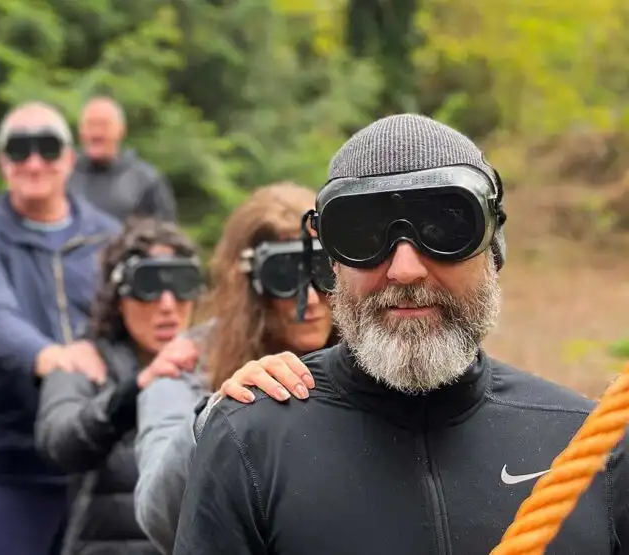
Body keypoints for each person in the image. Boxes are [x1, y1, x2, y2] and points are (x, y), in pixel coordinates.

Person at [172, 114, 629, 554]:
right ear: (329, 261)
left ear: (493, 248)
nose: (405, 270)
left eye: (447, 229)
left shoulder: (589, 443)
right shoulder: (250, 441)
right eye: (363, 235)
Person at [0, 100, 121, 555]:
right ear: (1, 161)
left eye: (47, 148)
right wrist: (52, 359)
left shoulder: (109, 237)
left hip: (98, 460)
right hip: (11, 460)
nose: (33, 162)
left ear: (69, 159)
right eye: (19, 148)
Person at [133, 183, 335, 554]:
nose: (308, 298)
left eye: (322, 271)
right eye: (284, 276)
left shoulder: (370, 356)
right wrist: (219, 415)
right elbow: (157, 515)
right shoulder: (187, 363)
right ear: (248, 284)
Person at [35, 217, 204, 555]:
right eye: (148, 285)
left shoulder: (216, 359)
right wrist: (133, 392)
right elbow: (59, 443)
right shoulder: (86, 360)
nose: (167, 304)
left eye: (181, 283)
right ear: (118, 295)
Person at [67, 96, 177, 223]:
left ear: (121, 130)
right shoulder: (63, 174)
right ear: (80, 131)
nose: (96, 132)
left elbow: (165, 234)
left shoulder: (145, 180)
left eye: (104, 125)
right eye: (90, 125)